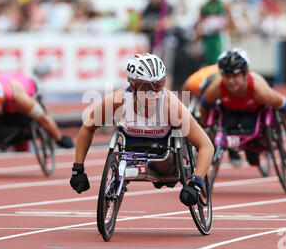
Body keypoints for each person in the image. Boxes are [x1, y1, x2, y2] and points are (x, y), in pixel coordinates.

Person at [69, 53, 214, 207]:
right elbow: (87, 128)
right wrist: (78, 169)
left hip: (165, 155)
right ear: (133, 86)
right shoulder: (118, 101)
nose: (154, 94)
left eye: (158, 85)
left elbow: (206, 145)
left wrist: (196, 183)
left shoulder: (170, 106)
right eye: (146, 87)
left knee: (168, 166)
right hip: (131, 149)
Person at [199, 48, 286, 167]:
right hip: (229, 113)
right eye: (227, 76)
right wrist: (204, 128)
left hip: (254, 113)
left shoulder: (259, 90)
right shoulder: (214, 89)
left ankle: (252, 148)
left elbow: (285, 105)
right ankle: (237, 151)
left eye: (235, 75)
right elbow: (204, 105)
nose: (231, 81)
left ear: (245, 74)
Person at [0, 72, 74, 150]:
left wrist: (59, 138)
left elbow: (43, 118)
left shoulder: (19, 100)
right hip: (3, 80)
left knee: (22, 124)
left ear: (1, 100)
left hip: (25, 85)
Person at [194, 0, 231, 66]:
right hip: (207, 39)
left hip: (219, 38)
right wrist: (196, 44)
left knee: (220, 61)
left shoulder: (223, 5)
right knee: (208, 63)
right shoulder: (204, 6)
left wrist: (221, 26)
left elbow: (230, 23)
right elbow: (200, 25)